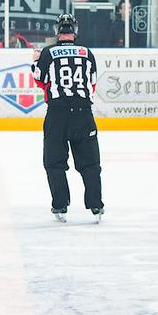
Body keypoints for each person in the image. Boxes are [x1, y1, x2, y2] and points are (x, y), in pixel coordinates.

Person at [30, 13, 103, 223]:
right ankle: (96, 205)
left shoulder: (48, 53)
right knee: (90, 164)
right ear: (75, 31)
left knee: (54, 163)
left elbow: (41, 81)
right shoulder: (87, 54)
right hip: (83, 114)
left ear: (57, 31)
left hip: (57, 115)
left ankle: (60, 204)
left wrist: (35, 62)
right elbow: (92, 85)